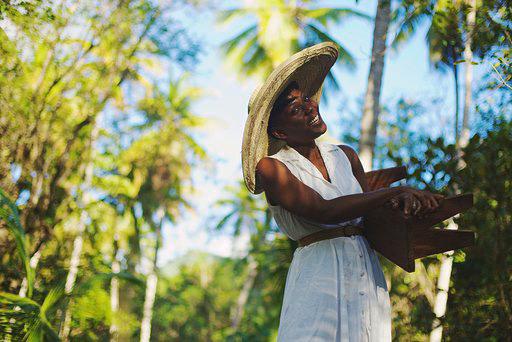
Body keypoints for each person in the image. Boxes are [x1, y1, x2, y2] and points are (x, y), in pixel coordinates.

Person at [241, 42, 444, 341]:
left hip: (363, 266)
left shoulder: (345, 155)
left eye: (306, 99)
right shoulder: (271, 168)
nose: (310, 107)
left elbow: (368, 213)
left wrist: (405, 204)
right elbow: (324, 210)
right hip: (318, 271)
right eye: (296, 109)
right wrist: (392, 192)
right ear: (279, 133)